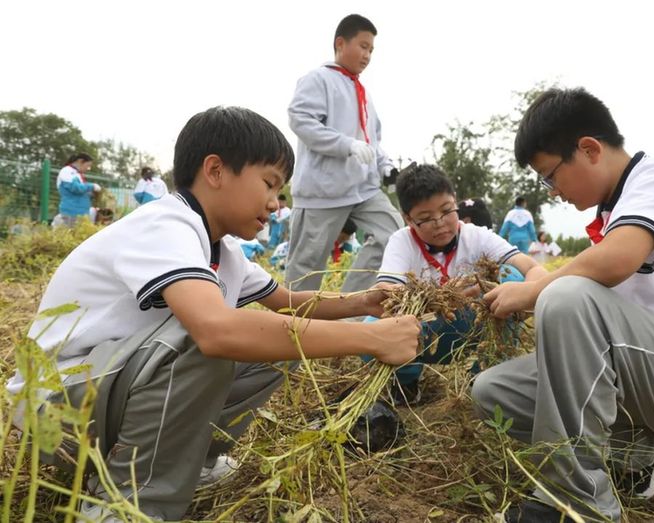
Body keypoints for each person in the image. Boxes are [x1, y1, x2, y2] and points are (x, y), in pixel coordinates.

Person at [5, 106, 420, 522]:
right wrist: (373, 338)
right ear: (216, 171)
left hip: (103, 394)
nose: (276, 204)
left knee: (275, 343)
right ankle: (125, 503)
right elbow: (215, 331)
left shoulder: (223, 249)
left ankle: (189, 461)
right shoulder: (165, 226)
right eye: (270, 184)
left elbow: (287, 302)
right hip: (56, 409)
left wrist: (363, 303)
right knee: (204, 340)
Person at [471, 88, 654, 522]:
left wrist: (534, 290)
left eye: (550, 176)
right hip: (651, 370)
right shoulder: (614, 211)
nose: (552, 192)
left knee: (565, 296)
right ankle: (637, 453)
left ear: (588, 149)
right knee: (493, 393)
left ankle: (577, 502)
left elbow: (617, 260)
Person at [373, 164, 547, 405]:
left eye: (446, 211)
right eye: (425, 219)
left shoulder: (476, 236)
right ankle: (406, 383)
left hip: (472, 326)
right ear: (408, 219)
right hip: (425, 330)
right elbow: (386, 291)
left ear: (455, 201)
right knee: (374, 324)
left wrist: (525, 293)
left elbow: (532, 268)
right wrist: (440, 297)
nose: (440, 223)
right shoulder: (402, 241)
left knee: (512, 276)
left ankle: (487, 375)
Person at [286, 13, 402, 293]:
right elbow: (300, 119)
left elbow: (372, 139)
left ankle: (348, 307)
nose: (368, 55)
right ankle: (293, 327)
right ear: (340, 43)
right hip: (323, 193)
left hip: (364, 189)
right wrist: (345, 145)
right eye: (363, 46)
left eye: (371, 49)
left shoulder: (363, 92)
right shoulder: (318, 79)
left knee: (396, 237)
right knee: (306, 268)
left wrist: (384, 165)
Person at [55, 152, 101, 226]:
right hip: (71, 212)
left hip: (81, 213)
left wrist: (91, 194)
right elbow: (75, 188)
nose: (88, 169)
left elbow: (81, 191)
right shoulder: (67, 171)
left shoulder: (77, 174)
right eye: (88, 165)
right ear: (80, 161)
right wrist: (92, 186)